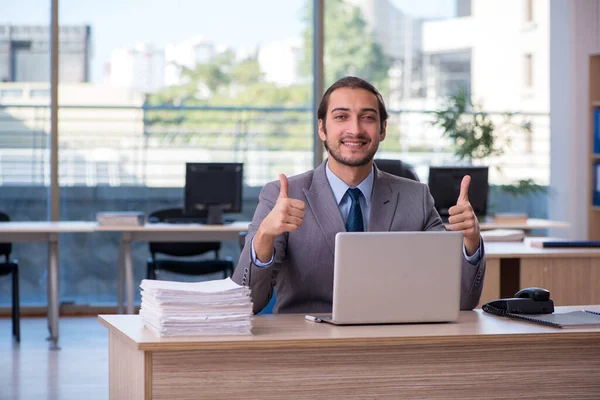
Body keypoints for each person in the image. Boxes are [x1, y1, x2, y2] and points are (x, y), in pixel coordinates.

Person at [232, 76, 485, 314]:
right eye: (341, 116)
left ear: (383, 129)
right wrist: (264, 235)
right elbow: (245, 303)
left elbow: (460, 302)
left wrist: (470, 242)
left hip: (392, 343)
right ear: (322, 129)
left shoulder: (415, 197)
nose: (355, 129)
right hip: (309, 346)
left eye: (367, 117)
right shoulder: (281, 195)